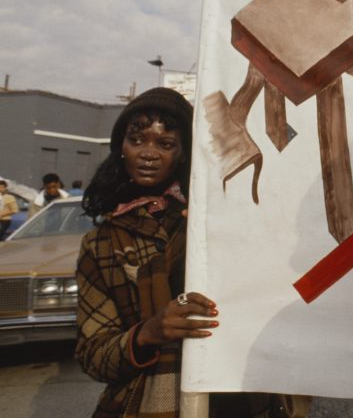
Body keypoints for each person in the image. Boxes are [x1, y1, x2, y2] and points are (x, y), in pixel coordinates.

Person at [76, 87, 311, 418]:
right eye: (138, 140)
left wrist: (225, 231)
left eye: (166, 144)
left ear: (184, 153)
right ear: (121, 148)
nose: (149, 153)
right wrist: (148, 333)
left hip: (241, 397)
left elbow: (270, 293)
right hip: (149, 402)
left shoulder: (221, 214)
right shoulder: (101, 243)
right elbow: (93, 355)